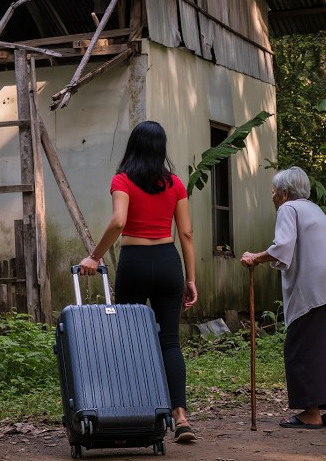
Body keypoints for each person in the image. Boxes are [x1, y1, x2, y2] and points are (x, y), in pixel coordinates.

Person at [78, 120, 198, 443]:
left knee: (128, 340)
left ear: (133, 146)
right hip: (168, 263)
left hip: (135, 264)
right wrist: (191, 278)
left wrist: (95, 255)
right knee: (170, 342)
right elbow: (186, 233)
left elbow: (119, 221)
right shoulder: (175, 184)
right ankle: (180, 416)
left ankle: (132, 409)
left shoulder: (123, 180)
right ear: (162, 149)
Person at [239, 166, 326, 430]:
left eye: (273, 191)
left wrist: (255, 258)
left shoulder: (288, 209)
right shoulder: (315, 210)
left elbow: (283, 246)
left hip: (313, 288)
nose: (271, 196)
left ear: (284, 192)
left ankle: (312, 412)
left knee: (300, 347)